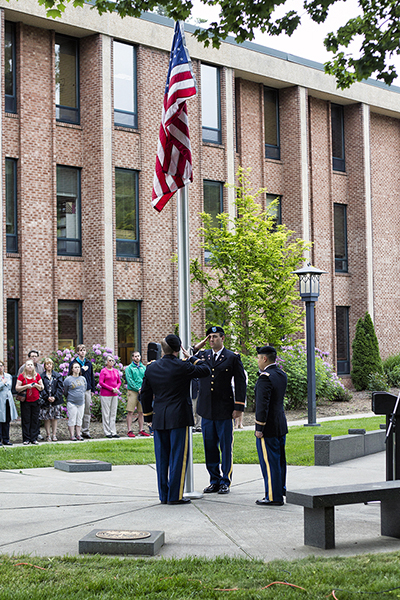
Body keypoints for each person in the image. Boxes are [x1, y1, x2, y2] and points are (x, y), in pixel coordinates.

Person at [141, 334, 211, 505]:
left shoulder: (152, 368)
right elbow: (206, 370)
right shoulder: (182, 366)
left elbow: (145, 394)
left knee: (162, 458)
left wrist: (148, 416)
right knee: (178, 457)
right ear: (178, 349)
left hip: (159, 417)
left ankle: (163, 495)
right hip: (178, 416)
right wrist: (192, 357)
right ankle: (175, 496)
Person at [193, 326, 247, 495]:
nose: (211, 340)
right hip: (207, 409)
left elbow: (240, 382)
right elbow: (187, 356)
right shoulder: (203, 355)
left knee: (225, 446)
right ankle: (214, 480)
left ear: (223, 338)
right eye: (209, 337)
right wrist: (198, 346)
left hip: (225, 409)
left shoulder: (232, 357)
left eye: (215, 337)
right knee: (209, 447)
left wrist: (238, 407)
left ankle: (225, 480)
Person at [254, 345, 288, 507]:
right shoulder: (281, 374)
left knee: (269, 462)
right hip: (280, 424)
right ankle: (280, 489)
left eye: (259, 357)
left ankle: (273, 497)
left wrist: (259, 428)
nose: (258, 360)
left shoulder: (265, 377)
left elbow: (262, 406)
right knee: (280, 460)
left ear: (264, 359)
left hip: (268, 427)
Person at [69, 345, 96, 439]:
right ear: (77, 352)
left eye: (84, 350)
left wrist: (93, 389)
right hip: (77, 390)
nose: (83, 352)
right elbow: (71, 376)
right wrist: (82, 370)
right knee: (77, 411)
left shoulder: (88, 363)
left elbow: (91, 376)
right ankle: (77, 432)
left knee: (87, 411)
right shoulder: (74, 363)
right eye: (81, 350)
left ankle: (85, 430)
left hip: (87, 389)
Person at [15, 359, 44, 445]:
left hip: (35, 401)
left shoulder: (37, 375)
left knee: (35, 420)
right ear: (25, 366)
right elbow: (17, 388)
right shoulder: (21, 376)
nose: (30, 366)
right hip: (25, 401)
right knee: (26, 420)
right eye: (28, 365)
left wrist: (36, 385)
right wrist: (26, 386)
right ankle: (26, 439)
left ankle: (34, 438)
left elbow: (42, 387)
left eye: (31, 365)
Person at [125, 351, 150, 438]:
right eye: (135, 356)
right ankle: (129, 430)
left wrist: (143, 389)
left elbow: (146, 378)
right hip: (133, 391)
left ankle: (141, 430)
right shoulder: (129, 368)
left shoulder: (143, 367)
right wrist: (137, 388)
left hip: (142, 391)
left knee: (141, 411)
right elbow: (130, 380)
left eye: (138, 356)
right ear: (132, 357)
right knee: (130, 411)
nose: (137, 358)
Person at [39, 358, 64, 442]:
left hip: (55, 401)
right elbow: (41, 388)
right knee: (46, 418)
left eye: (50, 364)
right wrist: (47, 397)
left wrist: (55, 397)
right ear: (45, 366)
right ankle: (48, 435)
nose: (49, 365)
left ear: (52, 365)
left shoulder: (57, 376)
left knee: (54, 418)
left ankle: (54, 435)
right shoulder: (41, 376)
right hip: (46, 401)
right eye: (47, 364)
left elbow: (60, 388)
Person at [99, 355, 121, 438]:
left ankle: (113, 431)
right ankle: (107, 432)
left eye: (112, 360)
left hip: (114, 394)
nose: (111, 362)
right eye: (109, 360)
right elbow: (101, 383)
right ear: (106, 362)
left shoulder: (116, 371)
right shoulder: (103, 371)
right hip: (105, 394)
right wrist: (111, 388)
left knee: (113, 413)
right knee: (106, 413)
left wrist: (116, 388)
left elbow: (119, 381)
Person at [64, 362, 87, 441]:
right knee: (72, 418)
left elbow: (84, 389)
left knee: (79, 419)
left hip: (81, 402)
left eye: (78, 367)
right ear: (72, 369)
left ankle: (78, 434)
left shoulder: (83, 378)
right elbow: (65, 391)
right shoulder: (68, 379)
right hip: (71, 402)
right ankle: (72, 435)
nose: (77, 369)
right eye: (76, 367)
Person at [0, 360, 18, 446]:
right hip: (0, 401)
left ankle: (6, 439)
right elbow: (3, 386)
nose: (0, 367)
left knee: (7, 420)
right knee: (0, 420)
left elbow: (10, 386)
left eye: (1, 365)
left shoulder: (8, 376)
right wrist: (2, 383)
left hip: (8, 401)